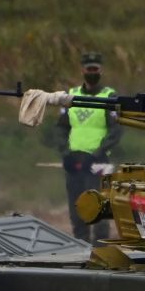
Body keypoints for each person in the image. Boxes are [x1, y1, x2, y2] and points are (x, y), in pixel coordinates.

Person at [50, 50, 121, 241]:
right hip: (75, 160)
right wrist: (65, 152)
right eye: (89, 69)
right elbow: (61, 128)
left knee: (98, 205)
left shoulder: (109, 96)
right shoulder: (71, 96)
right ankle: (80, 244)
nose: (92, 72)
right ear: (82, 70)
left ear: (101, 70)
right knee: (76, 205)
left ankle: (100, 247)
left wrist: (98, 152)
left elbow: (115, 131)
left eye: (95, 69)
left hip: (99, 161)